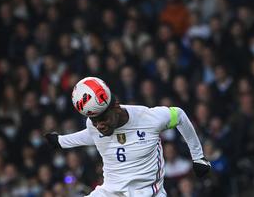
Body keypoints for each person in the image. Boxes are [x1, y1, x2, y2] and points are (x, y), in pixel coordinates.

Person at [44, 77, 210, 197]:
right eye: (94, 121)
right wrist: (60, 141)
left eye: (102, 119)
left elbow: (179, 115)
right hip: (110, 192)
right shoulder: (95, 126)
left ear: (116, 106)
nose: (99, 126)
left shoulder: (149, 118)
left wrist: (198, 157)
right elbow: (89, 136)